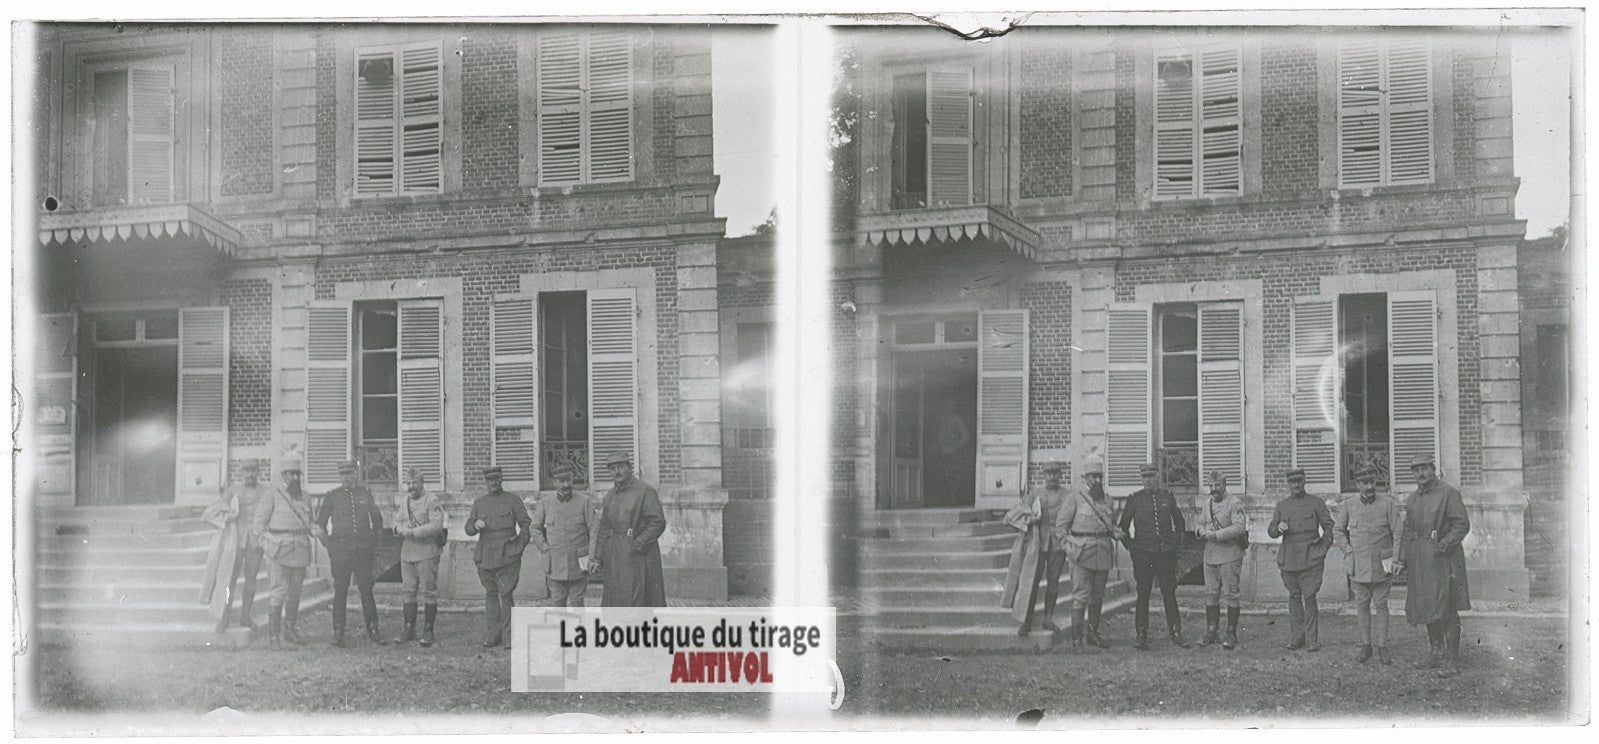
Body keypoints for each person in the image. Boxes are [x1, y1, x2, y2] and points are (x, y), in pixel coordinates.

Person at [1399, 453, 1471, 678]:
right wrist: (1402, 558)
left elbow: (1461, 524)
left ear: (1433, 469)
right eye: (1415, 470)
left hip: (1443, 561)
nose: (1420, 474)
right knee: (1427, 606)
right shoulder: (1413, 499)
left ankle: (1452, 660)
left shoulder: (1448, 493)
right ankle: (1436, 652)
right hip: (1420, 561)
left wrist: (1442, 545)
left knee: (1447, 608)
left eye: (1424, 469)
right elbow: (1408, 530)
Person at [1334, 465, 1403, 665]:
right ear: (1357, 485)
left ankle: (1382, 646)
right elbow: (1338, 530)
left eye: (1372, 482)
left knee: (1381, 605)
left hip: (1383, 564)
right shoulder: (1348, 505)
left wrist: (1397, 559)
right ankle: (1366, 645)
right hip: (1358, 565)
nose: (1370, 486)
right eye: (1365, 483)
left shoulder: (1388, 504)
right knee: (1362, 604)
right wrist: (1348, 550)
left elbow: (1398, 532)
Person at [315, 459, 388, 647]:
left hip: (363, 550)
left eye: (350, 473)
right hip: (340, 552)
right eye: (343, 474)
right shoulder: (332, 496)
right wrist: (328, 545)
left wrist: (375, 541)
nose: (347, 477)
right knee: (340, 591)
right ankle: (338, 631)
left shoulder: (365, 494)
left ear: (356, 474)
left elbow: (377, 520)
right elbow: (320, 524)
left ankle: (373, 628)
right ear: (340, 476)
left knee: (366, 590)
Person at [1052, 459, 1121, 651]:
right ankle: (1076, 640)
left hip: (1103, 553)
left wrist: (1115, 531)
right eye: (1093, 477)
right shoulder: (1074, 498)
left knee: (1098, 596)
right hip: (1081, 554)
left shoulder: (1108, 500)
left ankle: (1093, 633)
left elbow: (1112, 524)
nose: (1097, 480)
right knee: (1081, 596)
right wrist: (1070, 548)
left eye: (1100, 477)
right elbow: (1061, 528)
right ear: (1085, 478)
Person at [1118, 462, 1188, 650]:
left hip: (1165, 554)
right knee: (1143, 594)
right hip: (1142, 555)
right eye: (1145, 477)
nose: (1148, 480)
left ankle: (1175, 630)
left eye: (1151, 476)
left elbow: (1180, 522)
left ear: (1158, 476)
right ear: (1142, 479)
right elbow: (1122, 527)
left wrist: (1176, 545)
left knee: (1169, 592)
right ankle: (1141, 633)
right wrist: (1131, 548)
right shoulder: (1134, 499)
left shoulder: (1167, 496)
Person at [465, 465, 532, 648]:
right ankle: (493, 635)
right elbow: (468, 528)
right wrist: (474, 524)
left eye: (496, 479)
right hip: (486, 556)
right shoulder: (479, 503)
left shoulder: (513, 501)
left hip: (508, 556)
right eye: (489, 480)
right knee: (491, 594)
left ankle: (509, 637)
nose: (493, 482)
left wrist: (519, 547)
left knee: (507, 594)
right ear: (486, 482)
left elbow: (526, 525)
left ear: (501, 479)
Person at [1267, 468, 1334, 651]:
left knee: (1310, 597)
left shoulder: (1316, 503)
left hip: (1311, 557)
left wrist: (1322, 549)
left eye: (1299, 481)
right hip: (1289, 558)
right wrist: (1277, 527)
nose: (1296, 485)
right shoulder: (1282, 506)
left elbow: (1329, 527)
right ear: (1288, 484)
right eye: (1292, 482)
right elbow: (1271, 531)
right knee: (1294, 597)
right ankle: (1297, 638)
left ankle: (1312, 640)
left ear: (1305, 481)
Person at [204, 459, 271, 632]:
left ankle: (245, 616)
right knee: (229, 581)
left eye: (253, 470)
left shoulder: (266, 492)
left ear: (258, 472)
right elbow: (213, 511)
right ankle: (224, 618)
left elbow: (271, 515)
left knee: (251, 581)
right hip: (234, 543)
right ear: (241, 473)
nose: (250, 474)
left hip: (255, 543)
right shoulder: (233, 491)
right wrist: (228, 517)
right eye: (246, 471)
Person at [253, 458, 314, 649]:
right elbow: (258, 526)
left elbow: (309, 522)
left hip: (300, 549)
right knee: (278, 594)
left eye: (297, 474)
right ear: (284, 476)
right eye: (291, 474)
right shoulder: (272, 495)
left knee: (295, 593)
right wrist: (269, 546)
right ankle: (273, 637)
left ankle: (290, 630)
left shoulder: (305, 497)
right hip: (278, 551)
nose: (295, 477)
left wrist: (314, 530)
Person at [1001, 462, 1067, 636]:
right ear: (1043, 475)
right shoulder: (1035, 494)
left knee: (1053, 583)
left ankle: (1048, 618)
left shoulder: (1067, 495)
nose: (1052, 477)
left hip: (1058, 545)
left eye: (1055, 473)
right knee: (1030, 582)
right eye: (1049, 474)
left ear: (1060, 475)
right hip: (1036, 545)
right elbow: (1018, 513)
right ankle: (1026, 621)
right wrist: (1031, 520)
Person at [597, 452, 668, 607]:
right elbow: (604, 526)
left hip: (638, 557)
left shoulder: (644, 491)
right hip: (614, 555)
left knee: (637, 600)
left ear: (629, 468)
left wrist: (637, 544)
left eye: (621, 467)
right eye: (612, 468)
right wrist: (599, 555)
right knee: (615, 601)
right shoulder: (610, 495)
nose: (617, 472)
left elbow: (657, 522)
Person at [529, 464, 601, 607]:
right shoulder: (545, 503)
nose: (566, 484)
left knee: (577, 602)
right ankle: (560, 629)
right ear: (554, 482)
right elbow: (535, 528)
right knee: (557, 601)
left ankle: (579, 630)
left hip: (579, 564)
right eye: (561, 481)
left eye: (568, 480)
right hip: (554, 563)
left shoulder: (584, 502)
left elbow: (595, 531)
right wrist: (544, 548)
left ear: (572, 479)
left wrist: (592, 557)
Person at [1194, 469, 1248, 650]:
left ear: (1225, 484)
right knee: (1211, 593)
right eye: (1211, 485)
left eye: (1217, 485)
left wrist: (1215, 535)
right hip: (1210, 555)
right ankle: (1211, 631)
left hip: (1230, 554)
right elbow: (1200, 522)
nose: (1214, 489)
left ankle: (1231, 633)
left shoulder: (1235, 503)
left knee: (1231, 593)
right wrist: (1200, 531)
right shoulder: (1207, 503)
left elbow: (1239, 528)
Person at [393, 466, 447, 646]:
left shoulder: (432, 500)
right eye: (408, 483)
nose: (411, 486)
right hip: (407, 553)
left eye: (414, 482)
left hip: (427, 552)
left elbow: (436, 526)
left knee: (428, 592)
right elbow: (398, 520)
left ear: (422, 482)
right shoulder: (405, 501)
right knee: (408, 590)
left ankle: (428, 631)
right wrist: (398, 529)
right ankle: (409, 629)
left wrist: (412, 532)